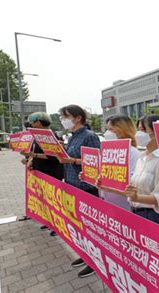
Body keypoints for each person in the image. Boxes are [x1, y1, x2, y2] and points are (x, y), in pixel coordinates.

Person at [57, 104, 101, 278]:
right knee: (78, 225)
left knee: (89, 227)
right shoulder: (72, 137)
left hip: (86, 189)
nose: (63, 120)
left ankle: (94, 261)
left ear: (78, 118)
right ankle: (85, 255)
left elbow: (95, 163)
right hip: (72, 185)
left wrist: (71, 161)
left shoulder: (89, 137)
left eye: (66, 116)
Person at [121, 115, 159, 230]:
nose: (138, 134)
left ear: (156, 133)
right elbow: (133, 191)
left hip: (156, 218)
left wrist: (137, 198)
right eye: (138, 129)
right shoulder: (141, 158)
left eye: (142, 130)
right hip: (136, 214)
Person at [86, 114, 141, 211]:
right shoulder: (107, 151)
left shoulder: (133, 153)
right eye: (107, 129)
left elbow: (135, 186)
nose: (106, 133)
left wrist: (109, 187)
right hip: (108, 204)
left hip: (125, 207)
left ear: (122, 130)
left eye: (111, 129)